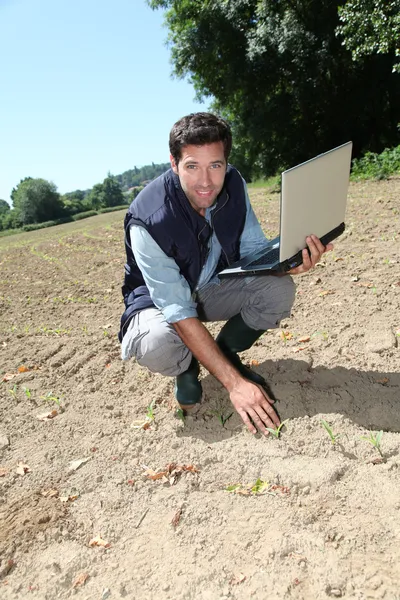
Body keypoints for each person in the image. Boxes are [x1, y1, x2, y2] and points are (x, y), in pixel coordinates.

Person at [119, 113, 332, 435]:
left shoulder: (233, 182)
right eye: (192, 166)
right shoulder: (149, 219)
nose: (206, 181)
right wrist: (235, 386)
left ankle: (227, 356)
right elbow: (176, 308)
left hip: (210, 285)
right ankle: (187, 370)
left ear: (226, 162)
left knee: (278, 290)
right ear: (174, 163)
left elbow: (251, 250)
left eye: (215, 165)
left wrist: (289, 263)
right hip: (158, 304)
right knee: (157, 343)